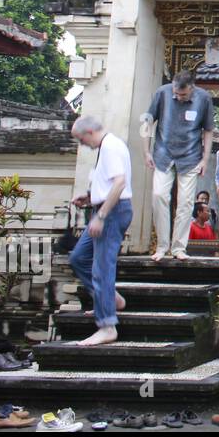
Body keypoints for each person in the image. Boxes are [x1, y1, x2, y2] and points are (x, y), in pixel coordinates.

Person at [68, 116, 133, 347]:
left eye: (80, 139)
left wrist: (102, 216)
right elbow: (109, 183)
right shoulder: (106, 147)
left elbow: (119, 183)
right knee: (79, 258)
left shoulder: (111, 147)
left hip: (112, 212)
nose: (82, 144)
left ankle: (106, 326)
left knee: (102, 268)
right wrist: (90, 198)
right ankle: (111, 299)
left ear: (88, 132)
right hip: (104, 208)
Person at [143, 69, 215, 262]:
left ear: (192, 89)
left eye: (182, 94)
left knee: (186, 202)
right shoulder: (162, 93)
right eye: (176, 92)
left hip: (191, 156)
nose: (178, 96)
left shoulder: (204, 99)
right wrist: (146, 151)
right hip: (163, 154)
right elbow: (147, 122)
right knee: (159, 195)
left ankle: (178, 247)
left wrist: (205, 160)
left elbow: (208, 130)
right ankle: (161, 245)